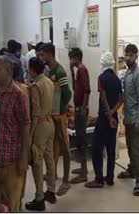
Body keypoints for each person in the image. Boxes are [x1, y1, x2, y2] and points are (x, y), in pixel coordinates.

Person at [0, 55, 31, 212]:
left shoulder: (18, 94)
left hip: (12, 160)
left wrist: (23, 158)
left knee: (12, 203)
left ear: (9, 72)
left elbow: (25, 127)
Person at [39, 43, 72, 196]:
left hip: (60, 116)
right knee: (53, 146)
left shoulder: (59, 71)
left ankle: (66, 181)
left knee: (65, 147)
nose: (41, 58)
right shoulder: (49, 71)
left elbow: (67, 94)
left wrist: (60, 111)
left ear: (50, 55)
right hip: (53, 115)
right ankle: (54, 174)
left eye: (43, 55)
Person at [85, 51, 122, 188]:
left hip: (104, 119)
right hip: (113, 119)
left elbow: (103, 96)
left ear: (102, 64)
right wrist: (113, 113)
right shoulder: (117, 79)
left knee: (96, 149)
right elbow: (120, 100)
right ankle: (110, 178)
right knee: (111, 150)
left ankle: (99, 179)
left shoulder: (101, 78)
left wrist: (108, 113)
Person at [25, 57, 56, 211]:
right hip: (51, 123)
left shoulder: (36, 86)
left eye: (28, 68)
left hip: (41, 125)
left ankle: (39, 198)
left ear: (32, 69)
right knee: (49, 158)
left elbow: (35, 113)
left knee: (37, 161)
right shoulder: (49, 82)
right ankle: (51, 190)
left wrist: (30, 135)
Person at [117, 44, 139, 196]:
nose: (128, 58)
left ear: (136, 56)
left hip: (136, 119)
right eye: (126, 54)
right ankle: (131, 169)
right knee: (129, 147)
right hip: (128, 118)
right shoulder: (127, 72)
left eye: (131, 55)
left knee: (135, 150)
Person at [68, 48, 91, 184]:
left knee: (81, 141)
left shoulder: (82, 70)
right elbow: (75, 88)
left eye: (71, 58)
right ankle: (83, 168)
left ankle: (84, 172)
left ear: (76, 58)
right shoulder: (78, 71)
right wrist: (71, 72)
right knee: (78, 139)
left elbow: (87, 90)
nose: (70, 61)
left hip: (81, 110)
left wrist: (83, 108)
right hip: (77, 109)